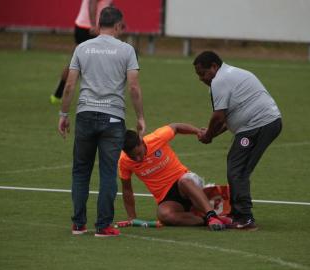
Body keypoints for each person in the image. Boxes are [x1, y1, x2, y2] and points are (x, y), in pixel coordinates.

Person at [58, 7, 146, 237]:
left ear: (98, 25)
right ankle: (103, 227)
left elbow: (69, 85)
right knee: (108, 173)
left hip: (85, 115)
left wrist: (63, 115)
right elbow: (134, 87)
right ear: (117, 26)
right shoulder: (127, 50)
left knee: (80, 172)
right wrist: (140, 117)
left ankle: (78, 224)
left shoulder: (82, 48)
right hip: (113, 118)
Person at [193, 51, 282, 231]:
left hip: (258, 125)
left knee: (238, 169)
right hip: (262, 123)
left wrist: (208, 135)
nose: (201, 78)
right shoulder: (230, 74)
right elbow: (228, 118)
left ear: (214, 67)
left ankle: (246, 218)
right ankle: (237, 214)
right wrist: (212, 134)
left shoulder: (219, 81)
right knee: (236, 165)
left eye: (202, 73)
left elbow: (218, 117)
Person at [118, 123, 229, 231]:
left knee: (184, 181)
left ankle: (211, 216)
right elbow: (127, 190)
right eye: (133, 157)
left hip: (185, 182)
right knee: (164, 215)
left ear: (141, 142)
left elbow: (176, 127)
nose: (138, 159)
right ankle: (205, 219)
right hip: (167, 198)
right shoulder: (124, 162)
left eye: (139, 153)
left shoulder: (156, 138)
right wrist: (132, 218)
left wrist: (198, 132)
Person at [50, 0, 112, 105]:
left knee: (77, 63)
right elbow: (92, 2)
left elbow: (107, 5)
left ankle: (58, 94)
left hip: (87, 27)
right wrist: (93, 25)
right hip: (88, 28)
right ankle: (96, 97)